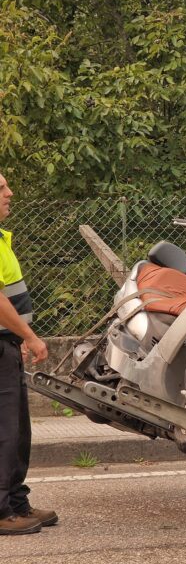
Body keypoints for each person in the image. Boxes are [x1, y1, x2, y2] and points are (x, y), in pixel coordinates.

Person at [0, 171, 55, 536]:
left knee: (18, 430)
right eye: (1, 188)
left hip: (6, 344)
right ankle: (2, 511)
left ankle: (17, 502)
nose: (10, 192)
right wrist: (30, 336)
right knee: (4, 431)